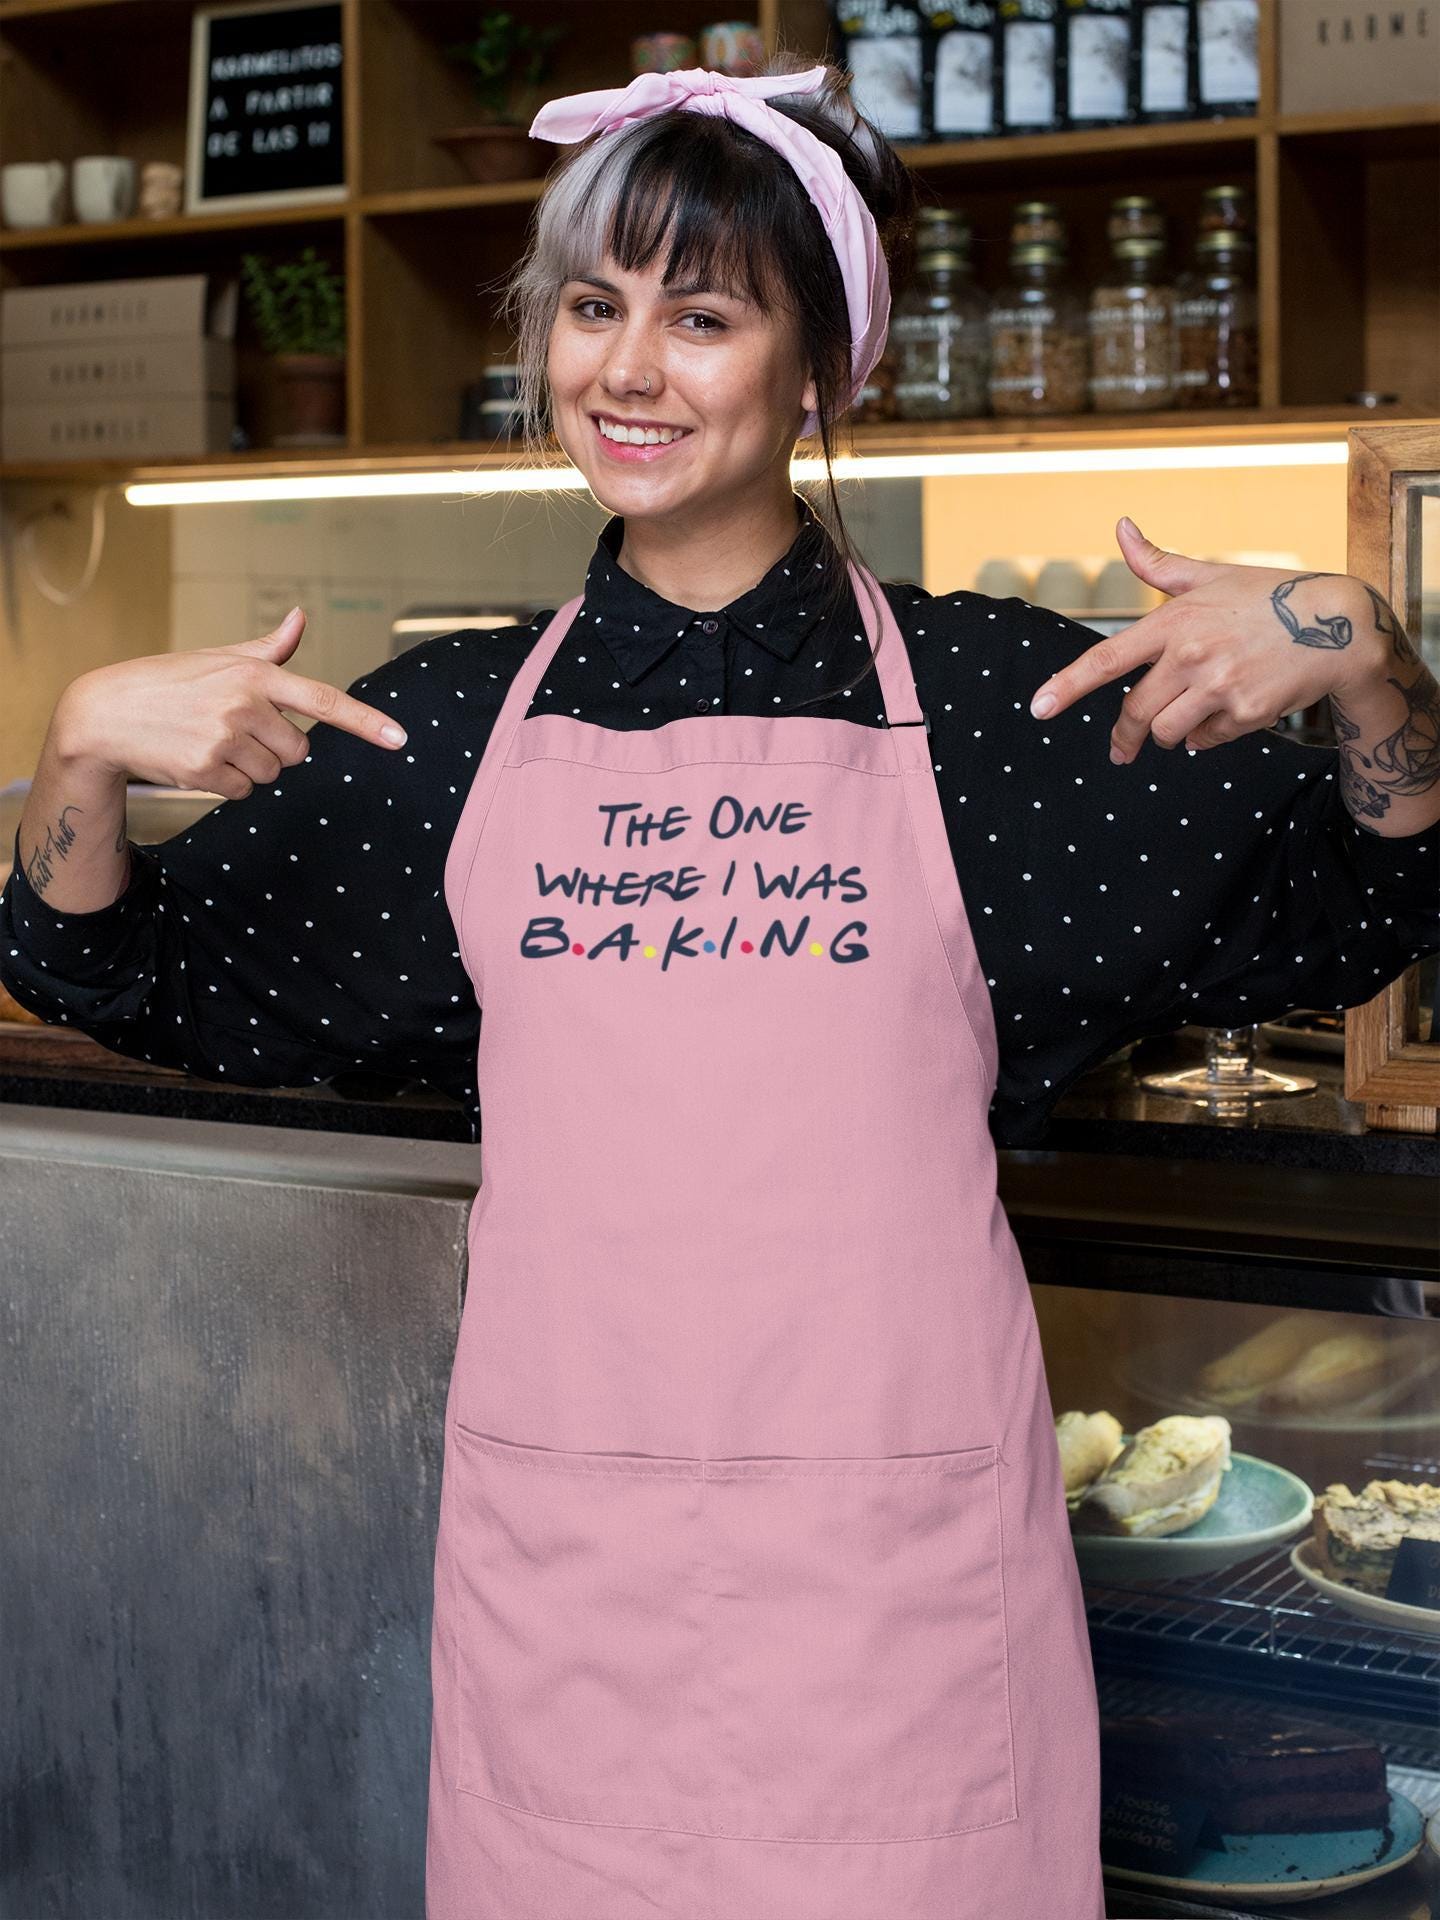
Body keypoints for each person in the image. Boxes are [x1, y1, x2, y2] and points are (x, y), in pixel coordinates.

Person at [2, 56, 1436, 1920]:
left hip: (895, 1599)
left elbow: (1365, 899)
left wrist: (1364, 650)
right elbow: (111, 961)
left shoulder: (1004, 712)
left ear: (824, 368)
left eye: (702, 316)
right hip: (573, 1590)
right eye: (593, 307)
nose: (628, 368)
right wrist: (79, 752)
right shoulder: (440, 726)